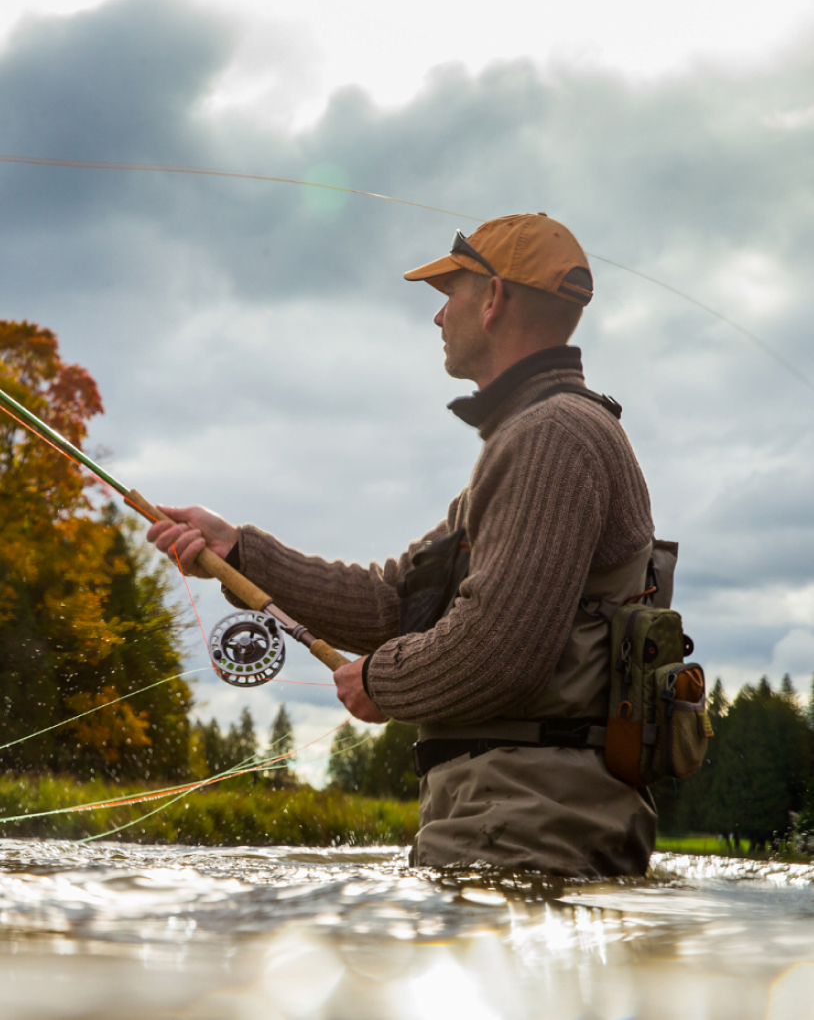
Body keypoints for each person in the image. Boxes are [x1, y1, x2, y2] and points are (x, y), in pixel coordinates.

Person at [147, 213, 657, 876]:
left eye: (451, 294)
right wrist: (240, 549)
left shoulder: (553, 436)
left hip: (527, 831)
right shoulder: (534, 436)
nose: (439, 317)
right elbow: (398, 603)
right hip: (508, 822)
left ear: (494, 299)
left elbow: (502, 649)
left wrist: (382, 681)